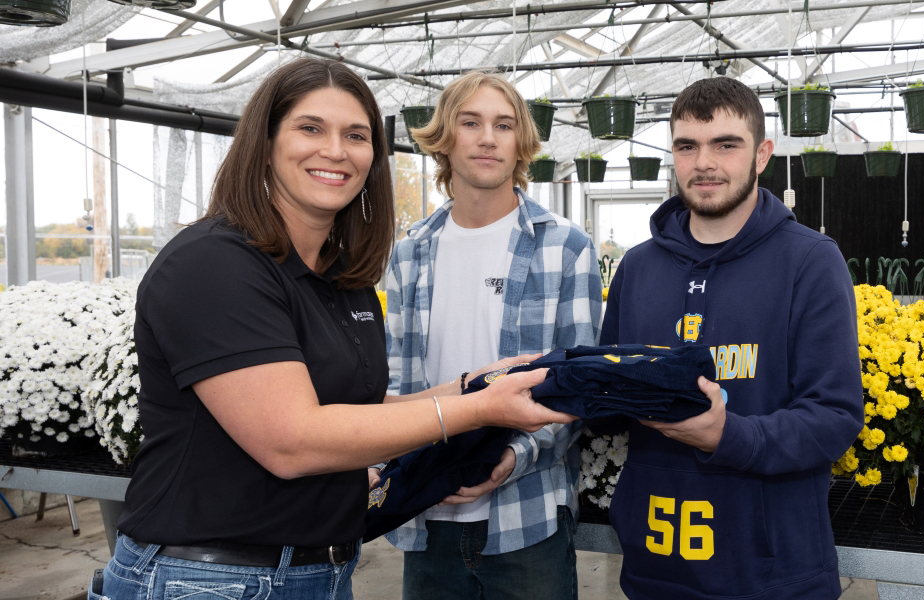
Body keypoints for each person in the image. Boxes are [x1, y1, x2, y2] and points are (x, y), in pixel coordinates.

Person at [93, 57, 575, 600]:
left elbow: (353, 412)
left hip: (316, 572)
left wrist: (479, 383)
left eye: (356, 135)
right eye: (310, 128)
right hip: (210, 577)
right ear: (265, 141)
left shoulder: (340, 278)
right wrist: (480, 408)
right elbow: (292, 440)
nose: (336, 150)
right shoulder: (215, 263)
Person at [599, 76, 864, 599]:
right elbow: (611, 400)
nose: (704, 163)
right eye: (687, 146)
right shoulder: (638, 267)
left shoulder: (810, 261)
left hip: (774, 575)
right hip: (657, 569)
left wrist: (727, 436)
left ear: (762, 154)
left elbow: (834, 416)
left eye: (726, 144)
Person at [382, 70, 602, 600]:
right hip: (426, 512)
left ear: (520, 142)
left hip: (527, 519)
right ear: (444, 138)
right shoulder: (409, 252)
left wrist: (511, 460)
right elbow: (393, 381)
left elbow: (578, 386)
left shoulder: (565, 247)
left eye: (503, 125)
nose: (487, 138)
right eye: (471, 122)